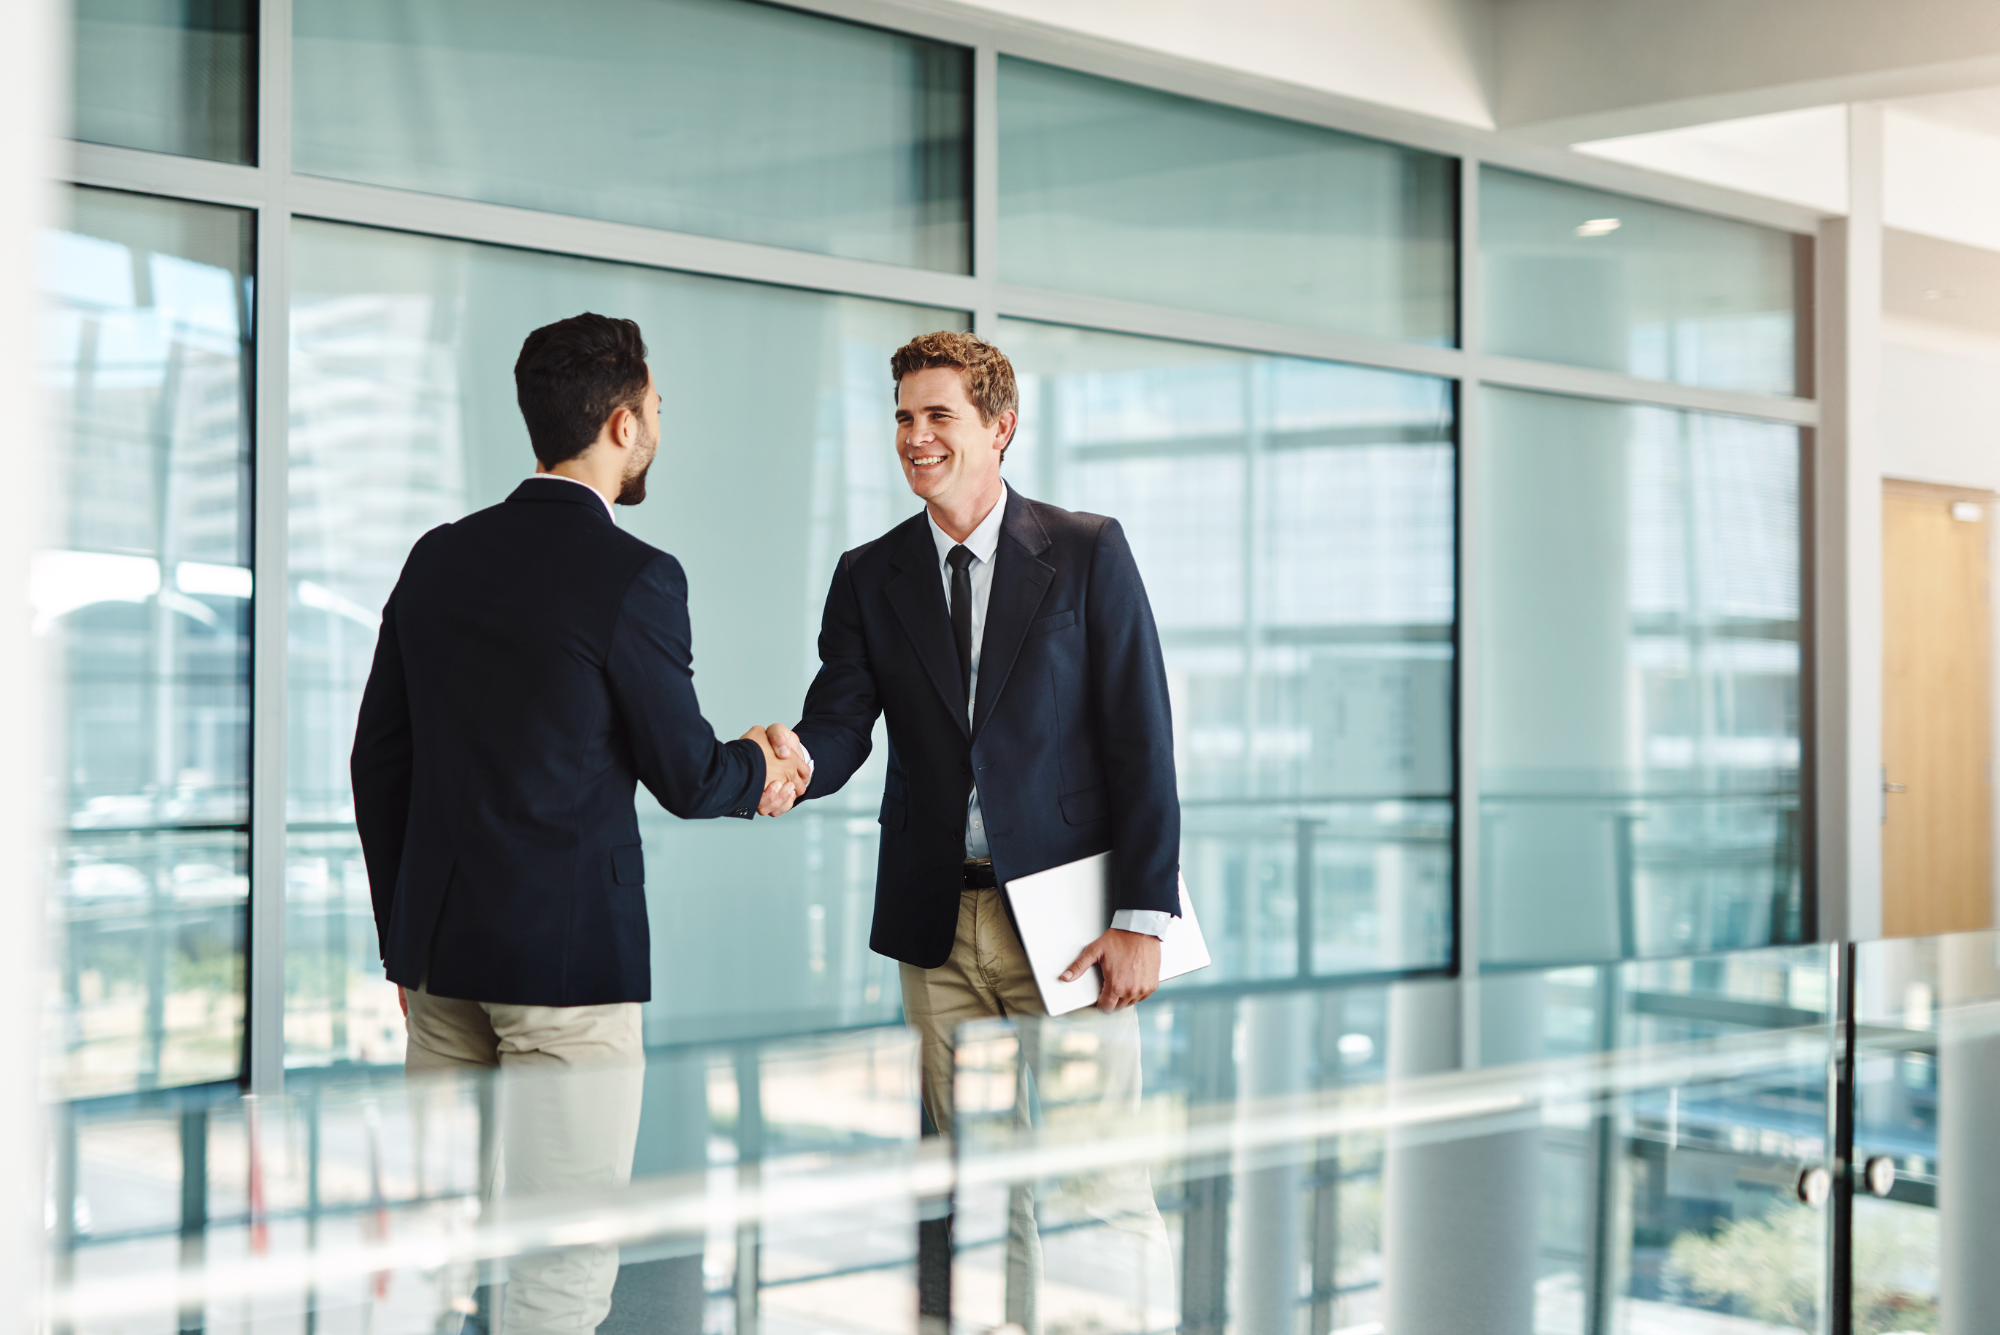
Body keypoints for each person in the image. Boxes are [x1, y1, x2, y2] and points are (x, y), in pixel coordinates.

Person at [349, 312, 807, 1334]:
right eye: (654, 411)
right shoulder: (633, 576)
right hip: (566, 981)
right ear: (618, 423)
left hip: (439, 965)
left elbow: (377, 762)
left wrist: (402, 945)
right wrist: (767, 765)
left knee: (437, 1248)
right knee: (559, 1250)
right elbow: (688, 774)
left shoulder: (438, 558)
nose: (656, 430)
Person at [766, 330, 1179, 1331]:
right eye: (903, 416)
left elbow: (1141, 734)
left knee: (1089, 1182)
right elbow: (840, 720)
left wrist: (1143, 915)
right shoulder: (869, 574)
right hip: (937, 928)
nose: (914, 437)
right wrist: (793, 762)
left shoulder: (1084, 551)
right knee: (963, 1184)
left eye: (937, 415)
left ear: (999, 426)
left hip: (1072, 924)